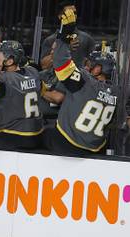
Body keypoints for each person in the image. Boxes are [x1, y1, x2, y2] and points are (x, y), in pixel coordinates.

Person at [42, 8, 118, 156]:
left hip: (68, 143)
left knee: (41, 133)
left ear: (97, 69)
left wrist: (65, 33)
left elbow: (59, 62)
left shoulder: (84, 81)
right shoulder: (116, 91)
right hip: (96, 149)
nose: (86, 64)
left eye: (89, 63)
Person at [40, 0, 95, 70]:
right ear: (60, 16)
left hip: (79, 78)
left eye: (74, 13)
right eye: (69, 13)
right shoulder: (50, 40)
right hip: (57, 79)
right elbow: (44, 66)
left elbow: (93, 66)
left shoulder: (87, 39)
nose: (72, 16)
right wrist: (64, 47)